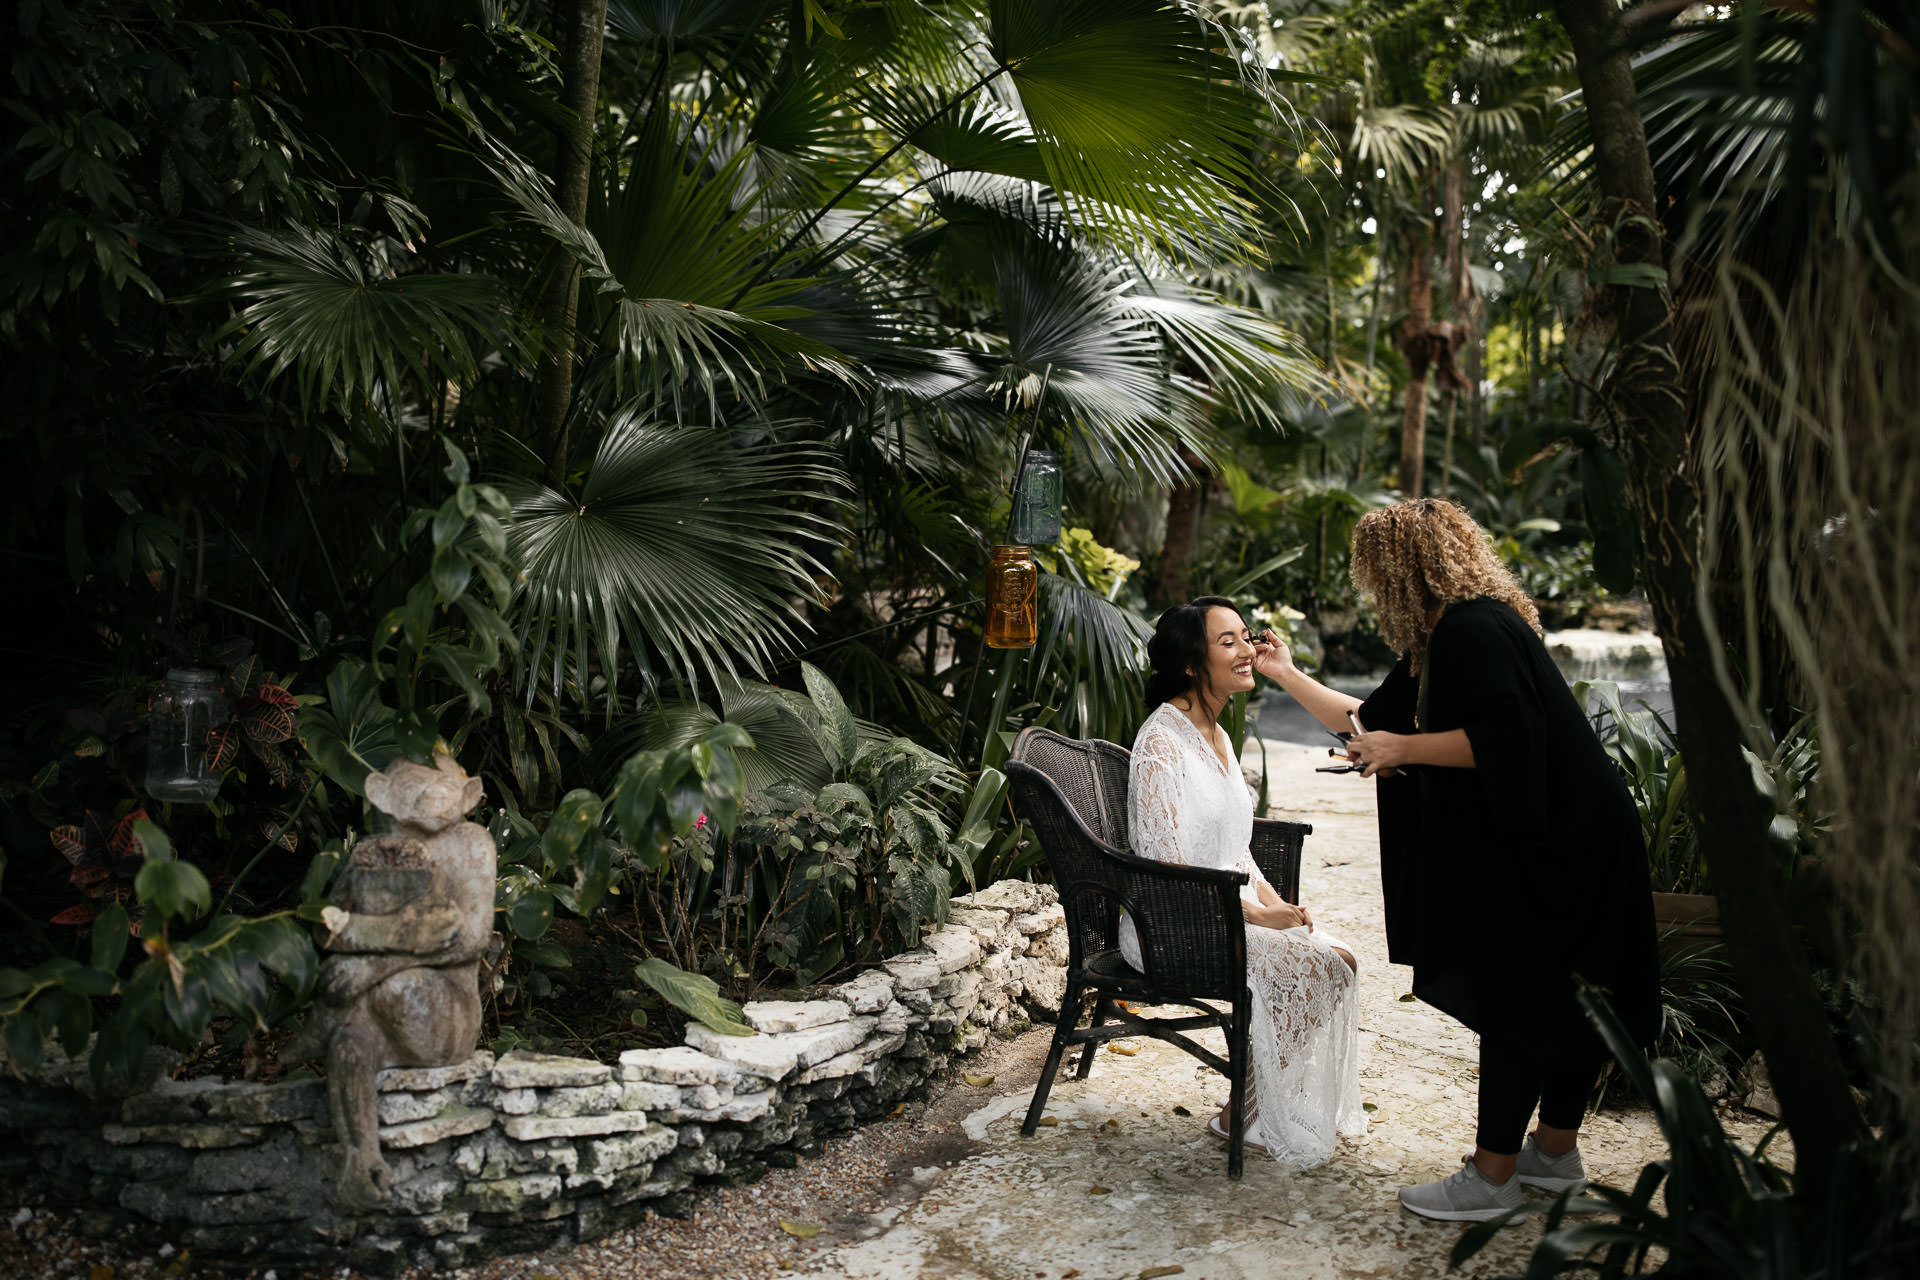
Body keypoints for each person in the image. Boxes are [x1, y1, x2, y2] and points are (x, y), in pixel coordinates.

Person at [1257, 499, 1659, 1221]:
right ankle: (1553, 1157)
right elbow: (1367, 722)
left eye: (1376, 573)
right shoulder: (1442, 639)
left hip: (1566, 842)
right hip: (1575, 834)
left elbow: (1511, 740)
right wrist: (1286, 673)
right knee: (1565, 996)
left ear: (1402, 569)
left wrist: (1405, 748)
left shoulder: (1473, 629)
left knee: (1519, 995)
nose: (1373, 590)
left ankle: (1492, 1177)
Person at [1127, 595, 1367, 1169]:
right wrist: (1258, 915)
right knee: (1324, 967)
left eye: (1245, 635)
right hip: (1174, 925)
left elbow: (1236, 845)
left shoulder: (1216, 733)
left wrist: (1277, 902)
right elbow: (1166, 865)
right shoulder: (1161, 743)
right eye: (1227, 641)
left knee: (1338, 960)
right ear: (1192, 664)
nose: (1246, 650)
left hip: (1223, 912)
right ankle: (1243, 1110)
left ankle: (1252, 1103)